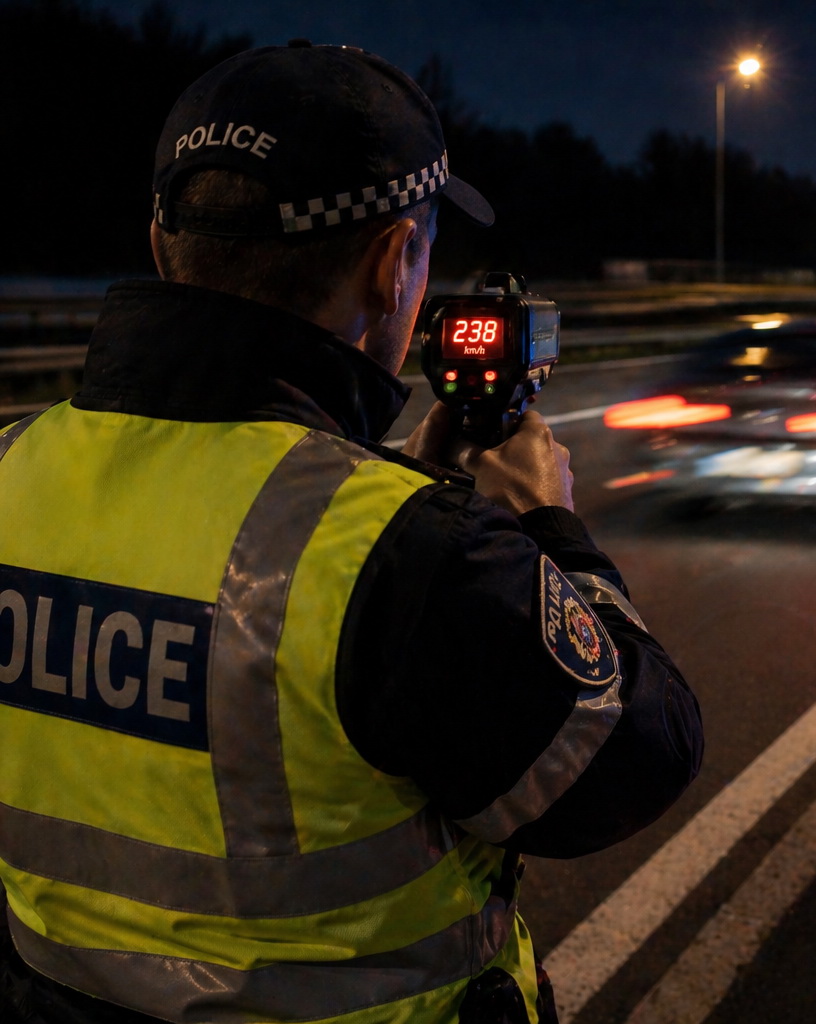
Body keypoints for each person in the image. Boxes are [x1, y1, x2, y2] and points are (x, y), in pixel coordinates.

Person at [0, 41, 702, 1024]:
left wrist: (391, 491)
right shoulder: (411, 555)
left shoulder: (10, 466)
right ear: (391, 265)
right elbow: (638, 756)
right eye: (421, 252)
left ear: (163, 247)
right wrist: (550, 528)